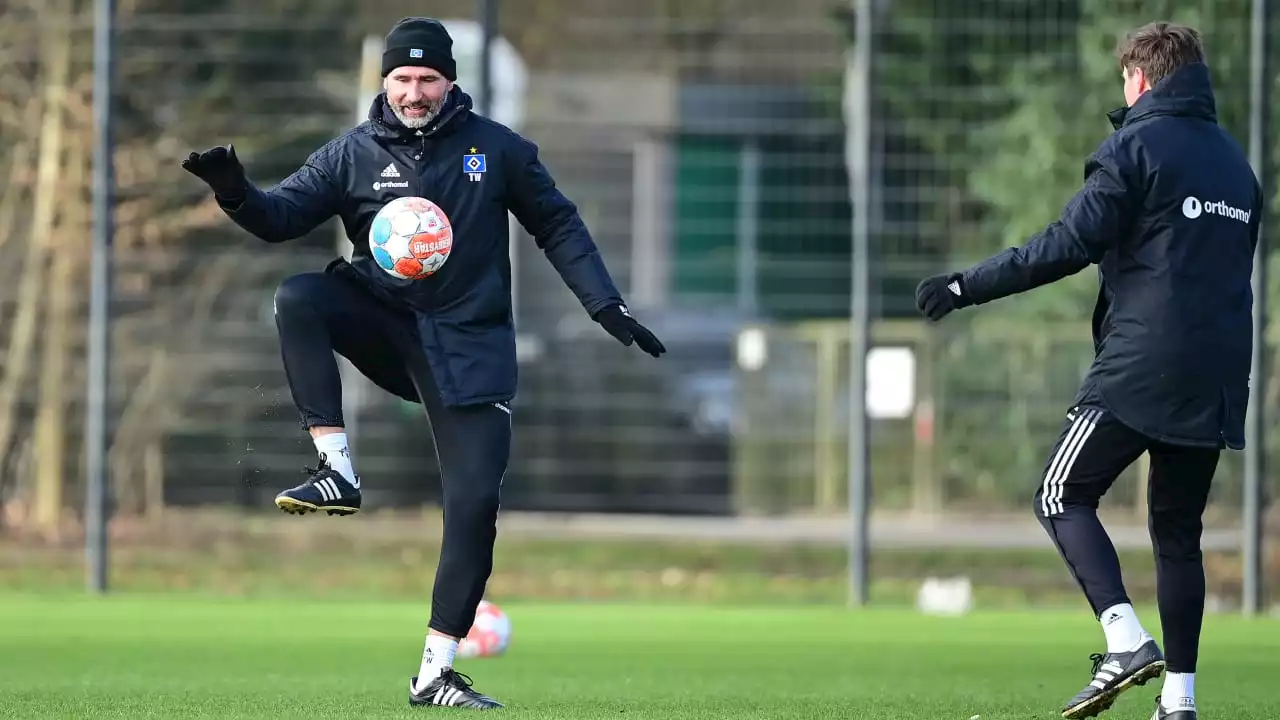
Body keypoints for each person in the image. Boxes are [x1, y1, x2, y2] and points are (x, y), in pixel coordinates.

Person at [182, 16, 665, 709]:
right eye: (402, 79)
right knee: (300, 298)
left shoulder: (497, 151)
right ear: (385, 81)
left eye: (427, 79)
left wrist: (604, 305)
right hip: (388, 329)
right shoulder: (351, 153)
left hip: (469, 351)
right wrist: (234, 190)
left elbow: (557, 222)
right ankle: (336, 469)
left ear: (449, 82)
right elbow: (281, 217)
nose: (414, 92)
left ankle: (436, 672)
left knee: (473, 507)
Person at [914, 22, 1258, 720]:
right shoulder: (1237, 167)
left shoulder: (1134, 146)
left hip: (1142, 363)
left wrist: (962, 286)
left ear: (1140, 79)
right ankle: (1181, 702)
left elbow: (1069, 243)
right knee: (1177, 534)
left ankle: (1125, 638)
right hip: (1220, 370)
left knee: (1057, 493)